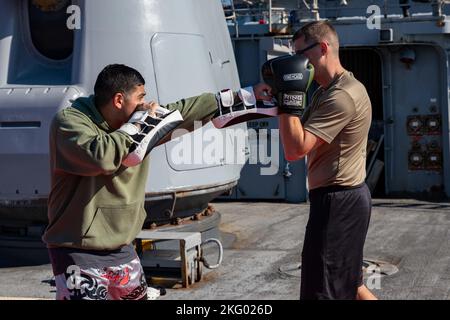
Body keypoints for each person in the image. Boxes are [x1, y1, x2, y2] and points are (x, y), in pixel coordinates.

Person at [42, 64, 270, 300]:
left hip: (122, 247)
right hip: (77, 250)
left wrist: (246, 95)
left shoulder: (137, 124)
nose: (145, 104)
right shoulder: (69, 123)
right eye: (140, 97)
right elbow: (101, 157)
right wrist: (140, 122)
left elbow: (182, 113)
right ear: (119, 100)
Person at [255, 21, 377, 300]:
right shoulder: (328, 90)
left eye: (300, 54)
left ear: (322, 49)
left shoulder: (341, 96)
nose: (296, 62)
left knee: (322, 291)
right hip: (343, 199)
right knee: (351, 286)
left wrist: (288, 99)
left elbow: (295, 150)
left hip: (338, 203)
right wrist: (276, 97)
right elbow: (297, 131)